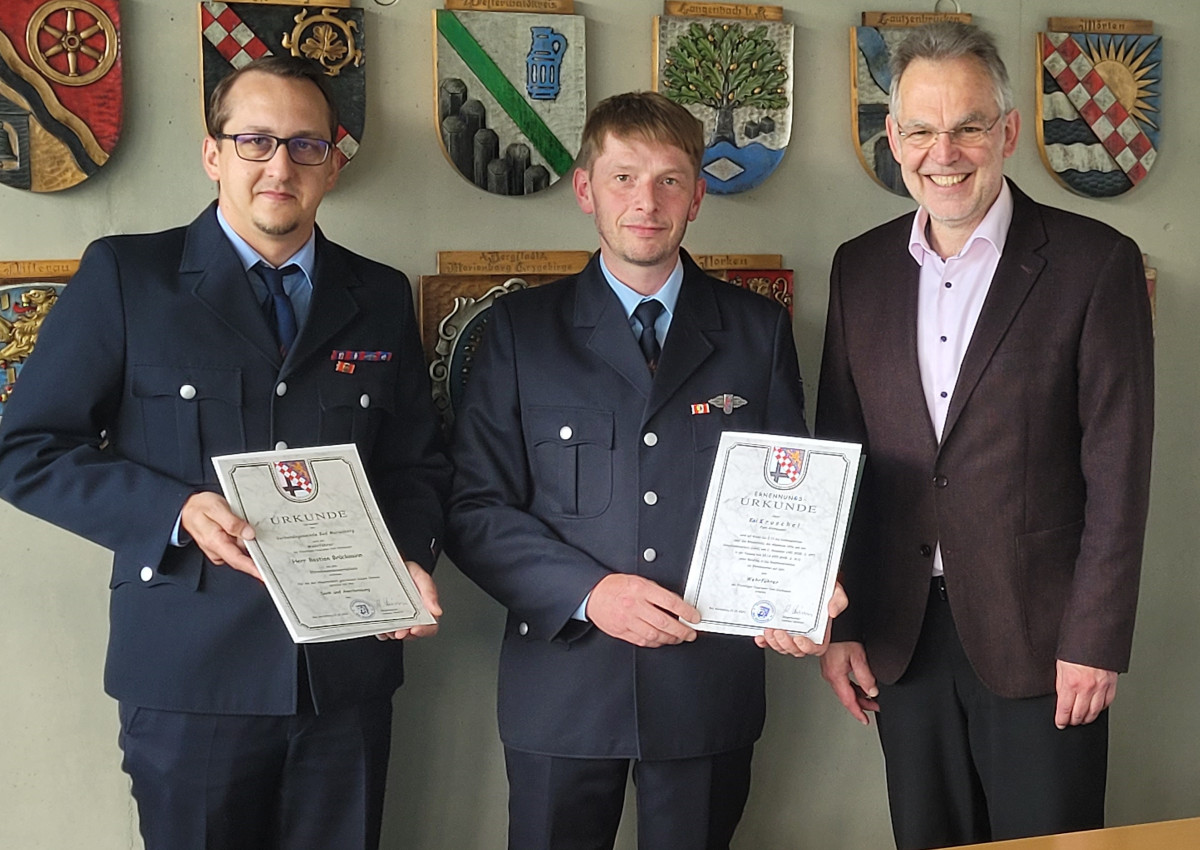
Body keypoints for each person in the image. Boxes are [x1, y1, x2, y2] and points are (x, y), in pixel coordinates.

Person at [0, 56, 450, 850]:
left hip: (342, 677)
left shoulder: (377, 294)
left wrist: (408, 559)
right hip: (189, 677)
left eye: (306, 145)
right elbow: (27, 448)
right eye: (255, 140)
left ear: (332, 165)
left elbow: (414, 464)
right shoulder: (128, 277)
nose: (280, 165)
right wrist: (171, 511)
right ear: (213, 155)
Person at [447, 91, 845, 850]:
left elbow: (792, 493)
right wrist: (590, 594)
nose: (647, 202)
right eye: (624, 176)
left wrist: (805, 582)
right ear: (586, 190)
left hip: (706, 686)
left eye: (669, 179)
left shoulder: (755, 332)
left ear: (698, 193)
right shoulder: (519, 334)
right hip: (562, 688)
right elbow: (475, 509)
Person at [815, 21, 1154, 850]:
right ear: (893, 139)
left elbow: (1119, 470)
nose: (946, 151)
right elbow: (840, 454)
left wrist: (1095, 639)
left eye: (968, 125)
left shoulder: (1095, 262)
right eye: (923, 130)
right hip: (902, 638)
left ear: (1007, 130)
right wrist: (842, 625)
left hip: (1044, 645)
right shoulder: (858, 268)